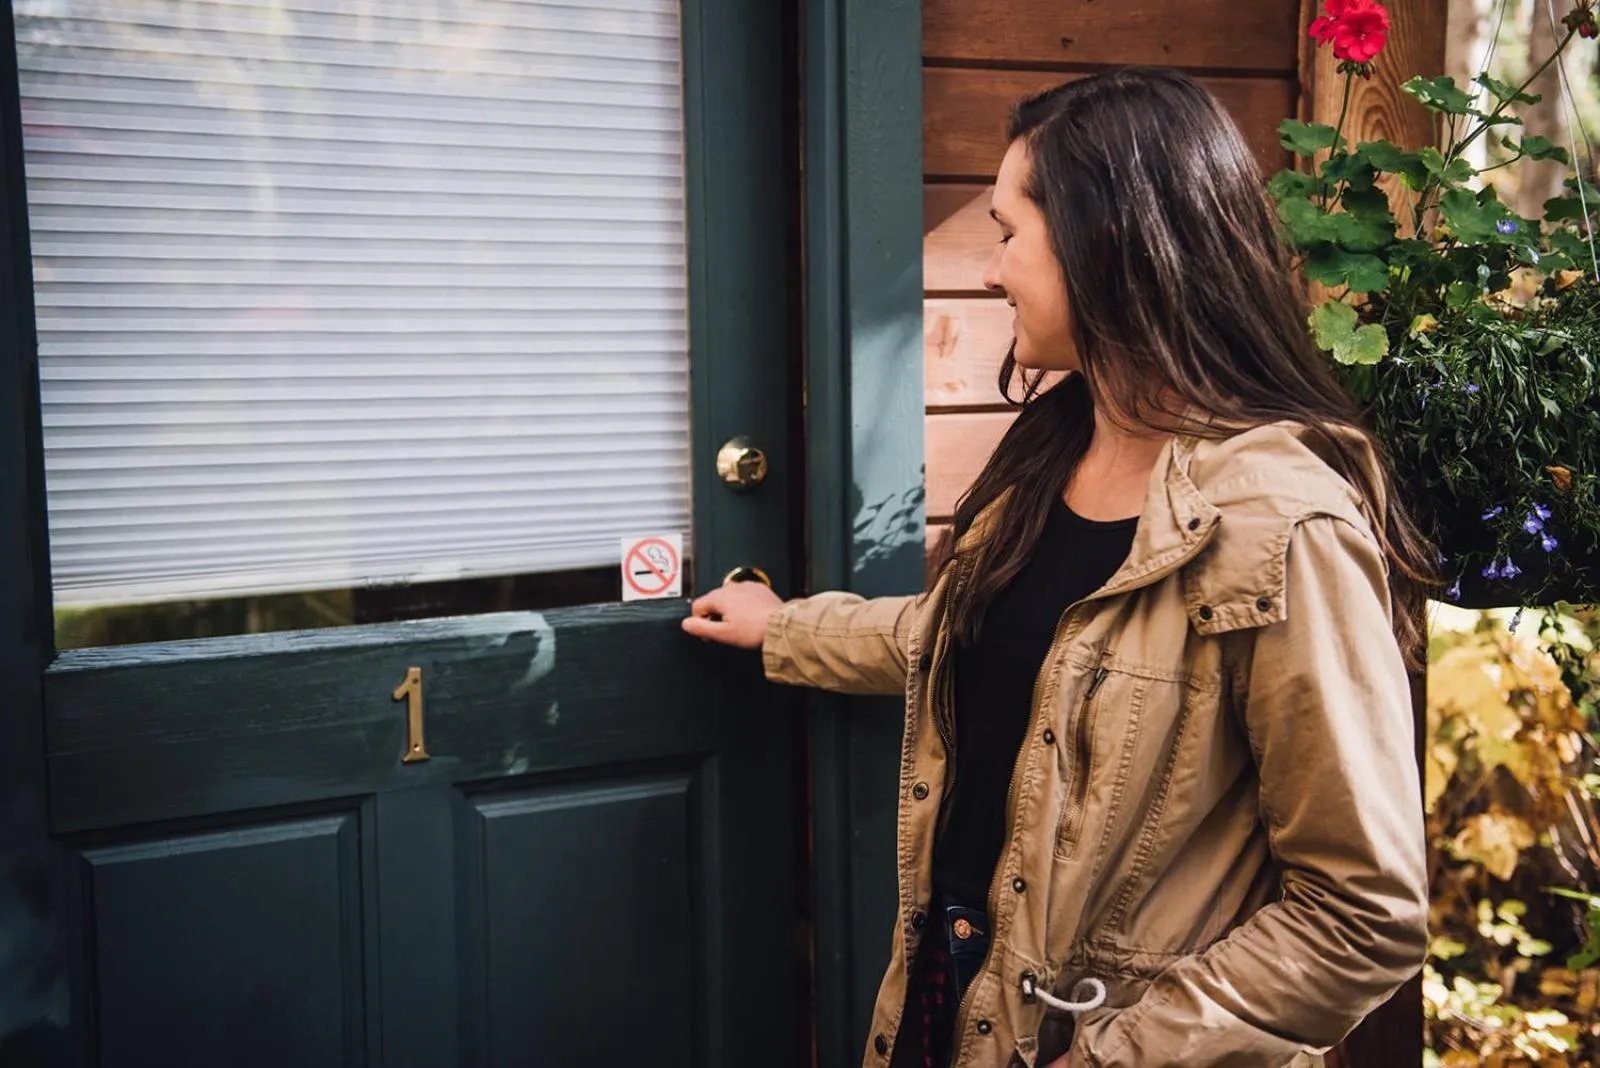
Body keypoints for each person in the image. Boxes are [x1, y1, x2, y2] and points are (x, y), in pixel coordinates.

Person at [683, 67, 1432, 1068]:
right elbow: (972, 640)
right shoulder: (1055, 452)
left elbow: (1361, 914)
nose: (990, 272)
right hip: (951, 1004)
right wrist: (784, 628)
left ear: (1106, 240)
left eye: (1007, 232)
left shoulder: (1281, 526)